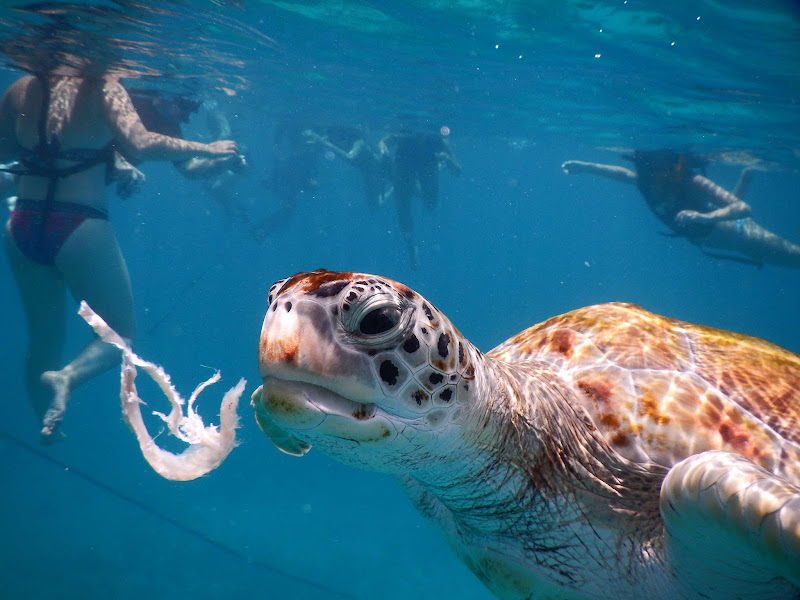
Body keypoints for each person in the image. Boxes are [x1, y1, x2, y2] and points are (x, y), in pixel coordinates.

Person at [0, 68, 239, 442]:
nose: (186, 114)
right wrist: (205, 146)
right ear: (156, 92)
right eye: (183, 103)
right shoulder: (108, 89)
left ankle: (42, 425)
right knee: (120, 334)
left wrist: (219, 160)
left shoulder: (24, 87)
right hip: (77, 223)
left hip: (23, 222)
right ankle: (66, 379)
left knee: (43, 339)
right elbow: (139, 143)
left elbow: (11, 150)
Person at [561, 149, 800, 268]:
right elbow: (621, 174)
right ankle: (746, 175)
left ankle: (748, 173)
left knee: (794, 258)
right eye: (647, 170)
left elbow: (743, 209)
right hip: (718, 240)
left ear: (671, 165)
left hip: (742, 235)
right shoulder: (648, 181)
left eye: (655, 168)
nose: (651, 177)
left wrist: (704, 218)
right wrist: (585, 167)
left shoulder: (692, 181)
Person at [379, 131, 461, 269]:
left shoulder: (436, 140)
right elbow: (384, 142)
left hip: (426, 165)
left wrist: (447, 159)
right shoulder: (405, 134)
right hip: (404, 164)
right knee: (403, 208)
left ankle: (413, 187)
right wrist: (383, 150)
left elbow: (458, 170)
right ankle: (411, 248)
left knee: (430, 205)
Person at [253, 119, 322, 238]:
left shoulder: (303, 172)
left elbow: (279, 162)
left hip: (285, 177)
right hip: (285, 177)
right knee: (289, 207)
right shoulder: (305, 168)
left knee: (289, 208)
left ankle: (262, 229)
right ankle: (262, 229)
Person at [303, 126, 390, 211]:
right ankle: (394, 187)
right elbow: (320, 140)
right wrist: (315, 140)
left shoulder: (359, 142)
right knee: (374, 207)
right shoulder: (335, 137)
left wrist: (321, 141)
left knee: (375, 206)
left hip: (375, 171)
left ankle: (394, 187)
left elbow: (349, 157)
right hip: (367, 171)